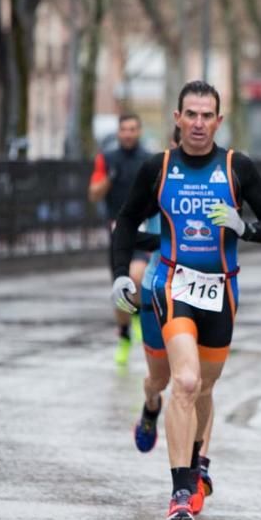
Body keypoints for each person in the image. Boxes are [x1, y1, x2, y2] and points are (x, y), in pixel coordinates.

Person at [112, 81, 261, 520]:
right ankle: (181, 489)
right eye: (191, 114)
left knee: (204, 388)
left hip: (221, 291)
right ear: (177, 118)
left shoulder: (236, 167)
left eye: (207, 115)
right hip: (172, 285)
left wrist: (243, 227)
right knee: (182, 382)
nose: (198, 123)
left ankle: (194, 461)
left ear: (219, 121)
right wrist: (118, 274)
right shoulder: (159, 167)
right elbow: (127, 221)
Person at [132, 125, 216, 498]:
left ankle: (198, 467)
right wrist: (171, 240)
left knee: (198, 383)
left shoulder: (215, 181)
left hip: (207, 291)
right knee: (161, 380)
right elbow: (129, 232)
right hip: (159, 286)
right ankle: (150, 406)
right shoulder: (157, 180)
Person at [89, 113, 152, 366]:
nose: (128, 133)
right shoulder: (107, 159)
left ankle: (136, 315)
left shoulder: (149, 160)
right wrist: (109, 178)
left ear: (139, 131)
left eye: (133, 129)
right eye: (124, 129)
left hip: (144, 229)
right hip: (118, 233)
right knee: (120, 289)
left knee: (136, 276)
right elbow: (93, 194)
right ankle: (125, 333)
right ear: (118, 132)